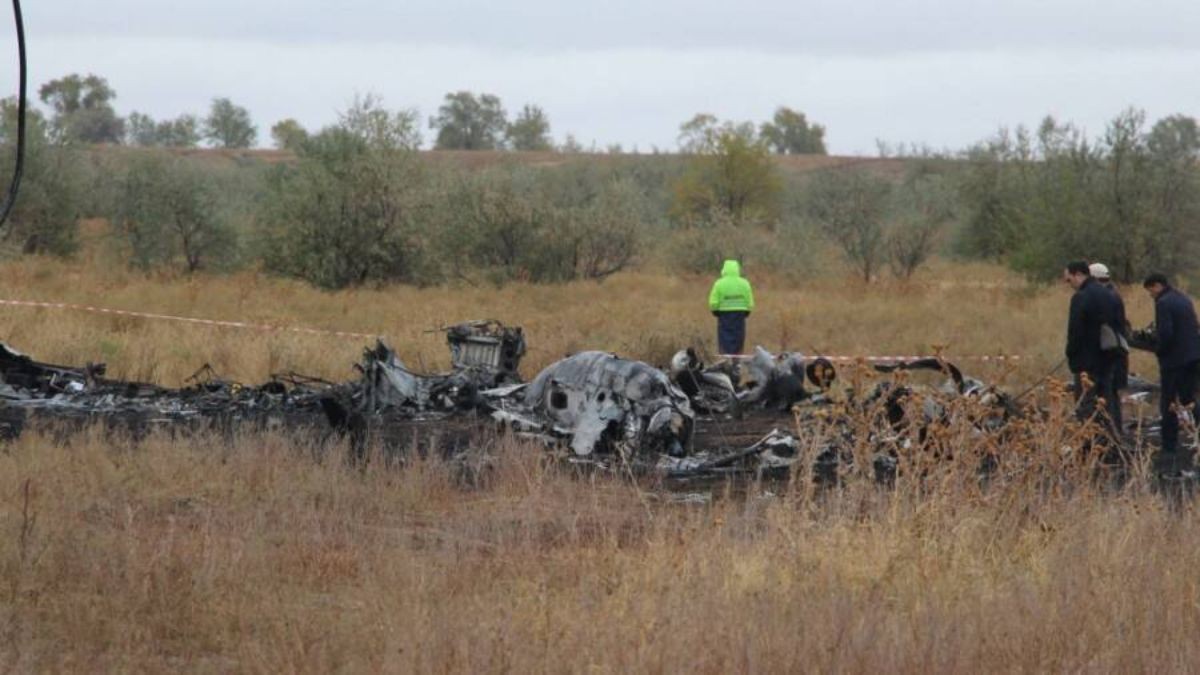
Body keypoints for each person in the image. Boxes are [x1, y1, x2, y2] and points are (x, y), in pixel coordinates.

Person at [1142, 273, 1200, 473]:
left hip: (1174, 360)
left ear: (1157, 285)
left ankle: (1168, 445)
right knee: (1189, 398)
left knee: (1168, 400)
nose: (1151, 295)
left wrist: (1159, 348)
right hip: (1192, 356)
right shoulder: (1183, 298)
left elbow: (1166, 333)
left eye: (1150, 290)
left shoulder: (1163, 303)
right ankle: (1196, 433)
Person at [1063, 261, 1122, 440]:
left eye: (1069, 279)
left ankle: (1088, 444)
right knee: (1106, 402)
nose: (1069, 284)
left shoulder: (1081, 297)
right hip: (1107, 357)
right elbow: (1119, 325)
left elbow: (1075, 331)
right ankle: (1110, 441)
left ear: (1078, 274)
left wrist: (1071, 355)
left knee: (1086, 404)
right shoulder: (1109, 293)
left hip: (1087, 361)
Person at [1090, 262, 1129, 433]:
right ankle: (1116, 433)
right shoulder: (1113, 294)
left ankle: (1112, 435)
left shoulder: (1106, 297)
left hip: (1110, 353)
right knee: (1112, 396)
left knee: (1108, 396)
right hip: (1117, 352)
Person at [708, 259, 755, 355]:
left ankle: (725, 360)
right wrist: (747, 310)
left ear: (724, 270)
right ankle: (737, 360)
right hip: (740, 314)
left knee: (725, 339)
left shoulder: (719, 283)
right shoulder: (744, 283)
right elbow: (749, 301)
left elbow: (713, 302)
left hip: (724, 315)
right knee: (738, 339)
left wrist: (715, 311)